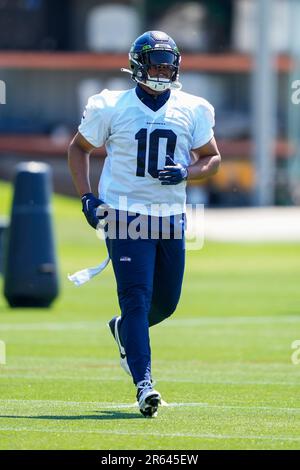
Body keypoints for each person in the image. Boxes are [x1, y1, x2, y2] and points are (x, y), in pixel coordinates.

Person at [68, 30, 221, 418]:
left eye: (168, 65)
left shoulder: (194, 107)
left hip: (170, 217)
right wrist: (87, 197)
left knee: (166, 304)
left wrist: (187, 171)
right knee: (135, 298)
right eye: (155, 64)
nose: (162, 71)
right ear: (138, 66)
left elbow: (212, 158)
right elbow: (79, 148)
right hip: (125, 214)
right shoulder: (111, 106)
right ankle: (144, 385)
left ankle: (124, 330)